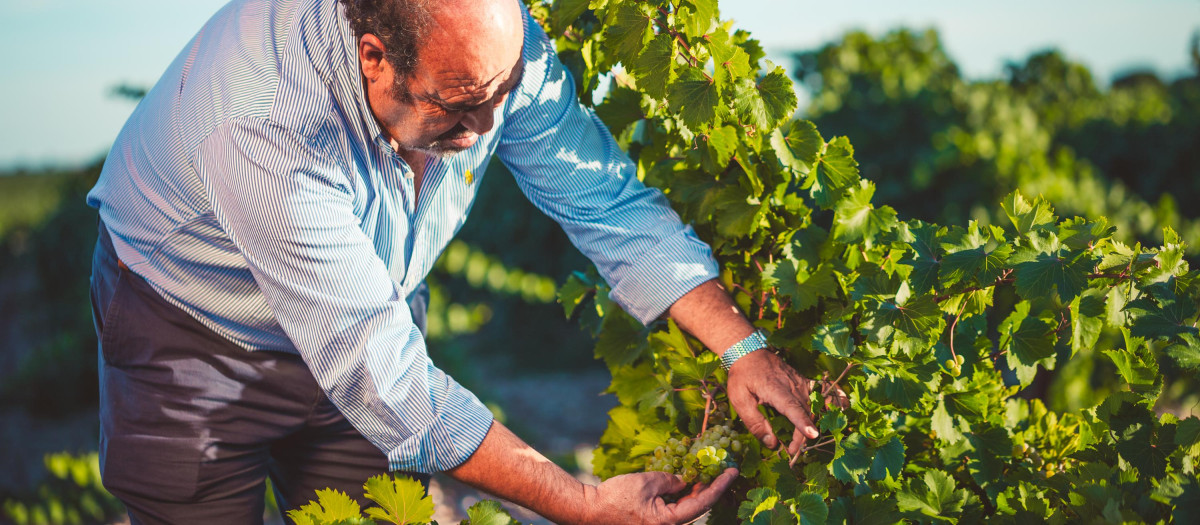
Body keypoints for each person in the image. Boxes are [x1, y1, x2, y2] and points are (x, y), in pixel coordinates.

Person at [87, 0, 841, 523]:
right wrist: (579, 503)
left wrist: (742, 347)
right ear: (374, 59)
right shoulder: (265, 123)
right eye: (460, 105)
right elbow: (390, 382)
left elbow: (606, 202)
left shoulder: (496, 48)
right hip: (194, 339)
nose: (487, 130)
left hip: (373, 312)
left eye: (502, 94)